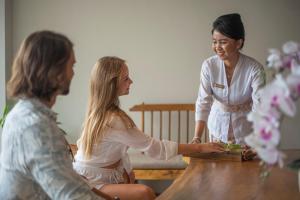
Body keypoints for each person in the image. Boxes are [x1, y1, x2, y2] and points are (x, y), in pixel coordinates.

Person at [73, 56, 225, 200]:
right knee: (145, 192)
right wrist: (199, 147)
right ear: (111, 84)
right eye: (126, 78)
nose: (131, 81)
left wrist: (127, 171)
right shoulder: (114, 119)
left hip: (93, 174)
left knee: (138, 187)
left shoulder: (99, 112)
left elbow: (116, 149)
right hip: (91, 182)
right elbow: (154, 148)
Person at [0, 31, 110, 199]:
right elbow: (72, 196)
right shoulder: (35, 125)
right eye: (71, 66)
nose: (73, 73)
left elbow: (68, 180)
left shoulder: (26, 114)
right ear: (53, 70)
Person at [191, 13, 265, 152]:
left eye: (223, 42)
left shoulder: (254, 69)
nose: (217, 47)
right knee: (218, 171)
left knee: (244, 171)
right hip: (217, 127)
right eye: (214, 41)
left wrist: (256, 140)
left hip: (246, 131)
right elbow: (203, 101)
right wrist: (197, 138)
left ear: (238, 43)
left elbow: (260, 108)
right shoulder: (209, 66)